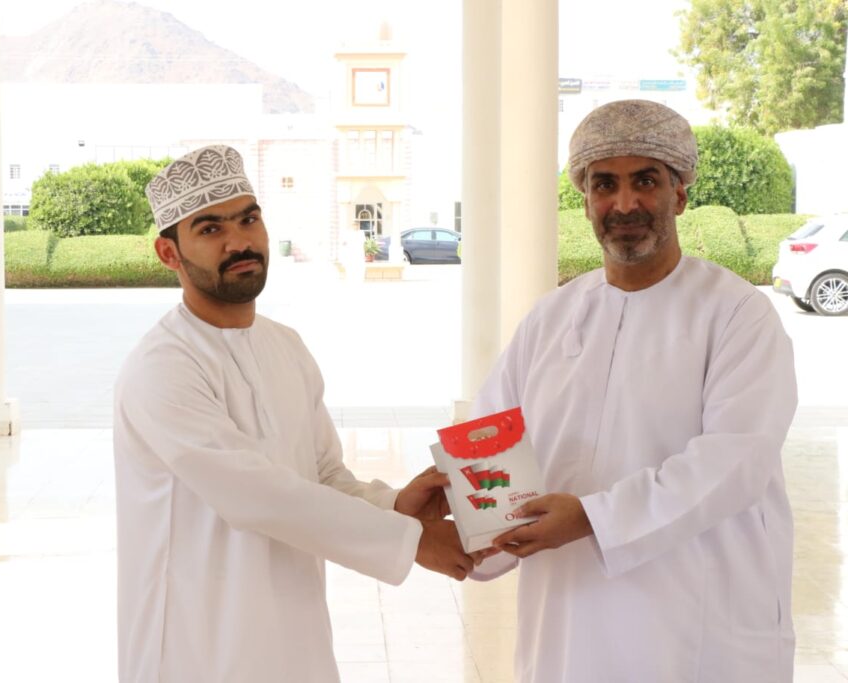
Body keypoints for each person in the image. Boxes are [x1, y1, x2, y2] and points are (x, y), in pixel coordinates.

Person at [113, 144, 474, 682]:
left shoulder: (285, 346)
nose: (240, 242)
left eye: (248, 219)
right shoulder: (163, 366)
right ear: (170, 253)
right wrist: (414, 541)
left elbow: (323, 475)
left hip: (293, 637)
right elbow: (255, 495)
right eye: (210, 229)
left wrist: (396, 504)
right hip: (197, 644)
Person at [471, 100, 797, 682]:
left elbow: (735, 462)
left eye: (645, 180)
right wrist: (472, 533)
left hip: (695, 620)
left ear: (680, 194)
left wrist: (592, 518)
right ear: (585, 200)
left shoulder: (736, 314)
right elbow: (490, 441)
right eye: (605, 184)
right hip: (566, 614)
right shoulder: (549, 319)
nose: (624, 204)